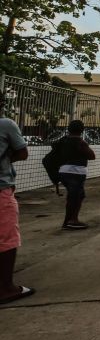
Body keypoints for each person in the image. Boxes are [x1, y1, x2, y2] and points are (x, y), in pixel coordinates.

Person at [0, 107, 34, 304]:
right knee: (6, 238)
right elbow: (23, 153)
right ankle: (6, 288)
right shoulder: (6, 124)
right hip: (2, 188)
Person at [56, 120, 96, 230]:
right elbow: (92, 156)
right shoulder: (80, 142)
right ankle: (73, 220)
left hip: (63, 171)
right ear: (82, 130)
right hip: (76, 172)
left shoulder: (63, 141)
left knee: (75, 196)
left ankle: (68, 221)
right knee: (76, 197)